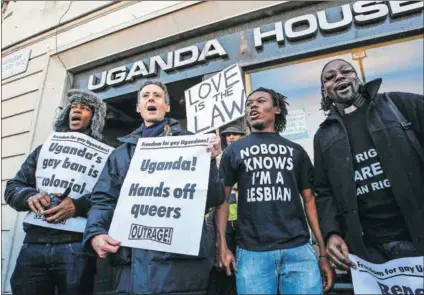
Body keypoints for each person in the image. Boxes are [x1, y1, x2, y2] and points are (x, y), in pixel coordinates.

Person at [83, 80, 225, 295]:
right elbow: (103, 199)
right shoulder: (120, 154)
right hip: (129, 265)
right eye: (146, 96)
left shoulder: (193, 144)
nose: (151, 98)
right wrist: (95, 233)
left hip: (179, 270)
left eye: (157, 96)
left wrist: (211, 162)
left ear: (167, 106)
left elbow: (213, 198)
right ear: (139, 107)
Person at [216, 87, 333, 295]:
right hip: (252, 254)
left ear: (276, 109)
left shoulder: (296, 150)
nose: (253, 105)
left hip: (298, 251)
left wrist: (323, 253)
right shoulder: (233, 151)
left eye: (260, 101)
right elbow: (222, 199)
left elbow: (310, 201)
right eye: (249, 103)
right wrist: (222, 246)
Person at [314, 58, 424, 269]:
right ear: (325, 91)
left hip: (417, 235)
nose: (339, 76)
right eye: (329, 77)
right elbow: (324, 191)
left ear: (357, 78)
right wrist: (332, 233)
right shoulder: (323, 135)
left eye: (346, 71)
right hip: (367, 252)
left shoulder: (398, 104)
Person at [5, 89, 107, 295]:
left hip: (76, 247)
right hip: (33, 246)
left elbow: (108, 197)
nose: (76, 111)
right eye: (74, 107)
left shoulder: (105, 156)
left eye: (84, 108)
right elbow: (13, 187)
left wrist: (77, 206)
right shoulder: (43, 150)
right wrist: (28, 196)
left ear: (94, 118)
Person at [208, 119, 246, 295]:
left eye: (235, 133)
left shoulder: (249, 154)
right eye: (227, 134)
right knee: (223, 269)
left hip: (245, 224)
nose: (230, 137)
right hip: (224, 222)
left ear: (243, 135)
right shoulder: (217, 157)